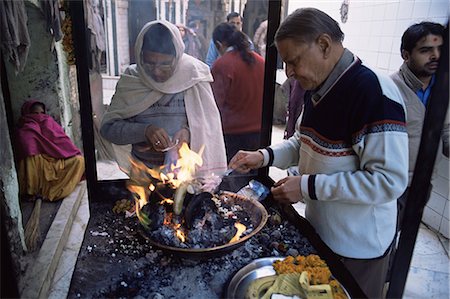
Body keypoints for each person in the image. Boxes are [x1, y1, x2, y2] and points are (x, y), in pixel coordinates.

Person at [228, 8, 408, 298]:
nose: (288, 72)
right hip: (321, 233)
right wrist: (262, 156)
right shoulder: (319, 89)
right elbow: (303, 142)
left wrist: (307, 186)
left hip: (358, 248)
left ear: (324, 45)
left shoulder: (373, 93)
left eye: (293, 61)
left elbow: (388, 181)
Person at [100, 20, 227, 176]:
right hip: (143, 175)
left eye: (165, 64)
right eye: (149, 63)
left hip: (185, 176)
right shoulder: (132, 79)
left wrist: (188, 132)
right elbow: (108, 129)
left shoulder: (194, 76)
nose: (157, 72)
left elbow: (209, 128)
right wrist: (144, 131)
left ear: (178, 56)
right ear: (140, 56)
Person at [390, 21, 448, 228]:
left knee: (404, 231)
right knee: (384, 237)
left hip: (423, 183)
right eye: (426, 50)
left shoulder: (443, 90)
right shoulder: (390, 90)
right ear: (406, 55)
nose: (436, 56)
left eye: (440, 49)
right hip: (392, 184)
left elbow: (446, 130)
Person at [210, 22, 265, 163]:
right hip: (260, 135)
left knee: (231, 180)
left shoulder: (222, 65)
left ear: (218, 44)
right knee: (253, 181)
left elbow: (214, 105)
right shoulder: (260, 61)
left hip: (232, 137)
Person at [16, 99, 85, 201]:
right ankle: (35, 192)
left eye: (42, 113)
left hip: (56, 161)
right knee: (31, 157)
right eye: (35, 113)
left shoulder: (49, 123)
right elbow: (28, 148)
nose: (39, 116)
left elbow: (63, 143)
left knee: (80, 161)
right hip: (40, 166)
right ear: (27, 114)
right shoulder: (26, 130)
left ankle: (57, 190)